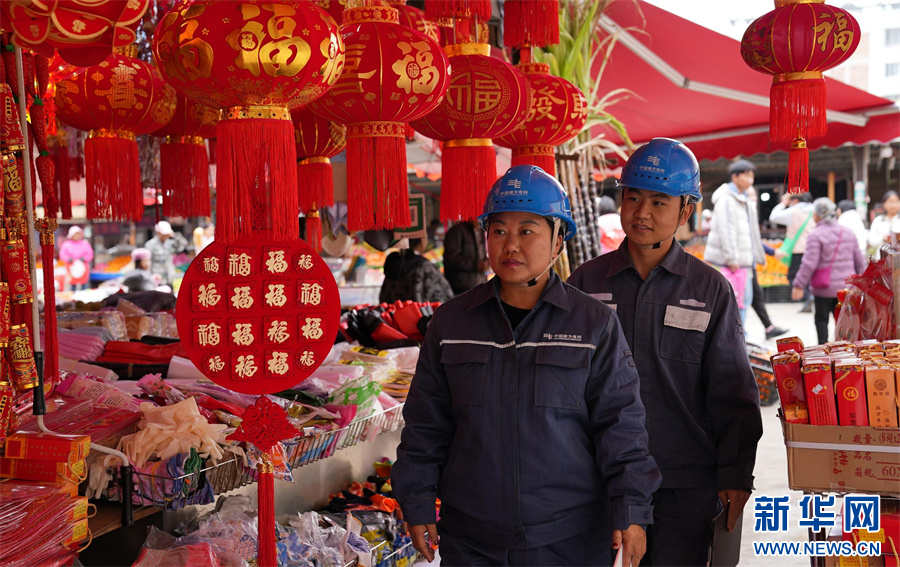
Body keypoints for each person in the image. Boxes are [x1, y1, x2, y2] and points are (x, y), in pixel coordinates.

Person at [393, 165, 661, 566]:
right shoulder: (451, 323)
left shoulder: (593, 324)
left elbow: (620, 425)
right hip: (471, 541)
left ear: (557, 242)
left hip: (569, 540)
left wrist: (632, 510)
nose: (511, 245)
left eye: (527, 231)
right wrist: (416, 501)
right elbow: (426, 425)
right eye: (499, 231)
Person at [568, 138, 763, 566]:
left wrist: (734, 474)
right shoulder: (584, 285)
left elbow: (733, 390)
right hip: (598, 481)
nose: (642, 212)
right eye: (633, 198)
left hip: (684, 482)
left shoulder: (709, 289)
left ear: (686, 210)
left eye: (659, 202)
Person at [791, 198, 866, 345]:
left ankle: (823, 351)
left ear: (817, 215)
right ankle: (846, 352)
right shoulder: (848, 232)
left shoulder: (815, 235)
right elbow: (860, 261)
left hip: (823, 289)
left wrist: (798, 285)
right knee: (845, 324)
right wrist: (865, 285)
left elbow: (809, 264)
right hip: (846, 289)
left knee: (821, 321)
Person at [703, 159, 766, 327]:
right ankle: (736, 337)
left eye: (752, 176)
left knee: (743, 301)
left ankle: (740, 336)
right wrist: (732, 258)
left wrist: (758, 256)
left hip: (743, 261)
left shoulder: (744, 199)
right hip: (732, 262)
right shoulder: (726, 199)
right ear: (735, 177)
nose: (751, 180)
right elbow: (726, 230)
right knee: (735, 303)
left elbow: (752, 232)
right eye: (747, 175)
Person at [745, 187, 790, 340]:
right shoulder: (742, 213)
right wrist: (772, 252)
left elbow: (754, 240)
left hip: (748, 263)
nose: (754, 198)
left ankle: (768, 327)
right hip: (740, 265)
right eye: (751, 195)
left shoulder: (749, 213)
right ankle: (741, 333)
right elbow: (752, 240)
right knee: (743, 300)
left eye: (754, 195)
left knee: (756, 296)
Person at [769, 192, 816, 312]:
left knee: (792, 275)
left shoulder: (794, 211)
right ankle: (809, 298)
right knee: (809, 276)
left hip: (798, 249)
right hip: (813, 248)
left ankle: (808, 297)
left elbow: (774, 217)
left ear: (795, 200)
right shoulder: (814, 210)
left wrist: (783, 203)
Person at [379, 238, 454, 304]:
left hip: (391, 313)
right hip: (418, 314)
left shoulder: (391, 264)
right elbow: (444, 297)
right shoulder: (426, 267)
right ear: (422, 240)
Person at [442, 220, 487, 295]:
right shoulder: (457, 230)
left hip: (479, 284)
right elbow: (451, 258)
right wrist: (475, 265)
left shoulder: (481, 231)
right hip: (461, 287)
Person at [145, 221, 187, 286]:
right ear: (158, 232)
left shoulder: (170, 243)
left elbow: (184, 244)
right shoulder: (150, 245)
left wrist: (175, 236)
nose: (166, 235)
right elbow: (147, 263)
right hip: (157, 279)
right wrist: (149, 278)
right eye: (164, 233)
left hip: (170, 278)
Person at [58, 226, 93, 291]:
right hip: (71, 268)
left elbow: (90, 254)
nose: (77, 236)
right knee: (72, 286)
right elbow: (62, 254)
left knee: (84, 286)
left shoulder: (85, 243)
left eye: (78, 234)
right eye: (75, 234)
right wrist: (68, 259)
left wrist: (84, 258)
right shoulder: (66, 244)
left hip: (83, 268)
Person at [867, 190, 900, 255]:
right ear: (884, 204)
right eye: (891, 202)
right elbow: (871, 241)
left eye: (896, 202)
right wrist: (883, 239)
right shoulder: (878, 220)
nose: (894, 205)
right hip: (881, 257)